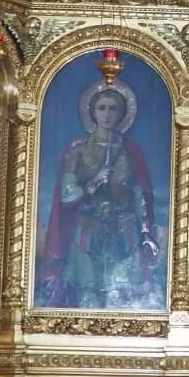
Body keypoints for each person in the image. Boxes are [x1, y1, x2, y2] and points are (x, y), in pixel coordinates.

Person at [39, 81, 160, 306]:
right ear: (92, 112)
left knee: (118, 296)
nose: (107, 114)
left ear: (121, 114)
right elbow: (67, 196)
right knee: (87, 296)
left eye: (113, 109)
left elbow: (140, 194)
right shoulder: (78, 150)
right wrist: (94, 181)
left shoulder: (131, 151)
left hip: (124, 232)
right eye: (101, 108)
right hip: (87, 230)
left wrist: (146, 231)